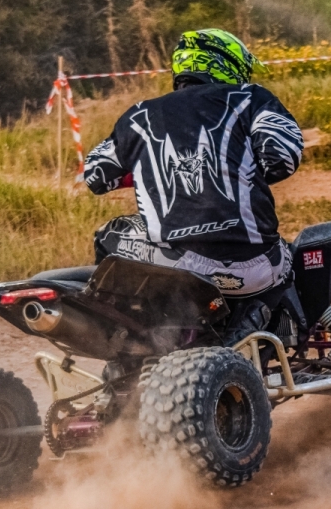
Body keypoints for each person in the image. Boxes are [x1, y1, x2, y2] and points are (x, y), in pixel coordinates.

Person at [83, 29, 304, 308]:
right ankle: (279, 328)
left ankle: (124, 328)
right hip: (258, 268)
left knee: (110, 232)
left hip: (178, 264)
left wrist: (146, 169)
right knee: (294, 254)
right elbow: (281, 158)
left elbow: (95, 175)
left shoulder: (140, 115)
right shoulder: (252, 98)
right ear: (226, 63)